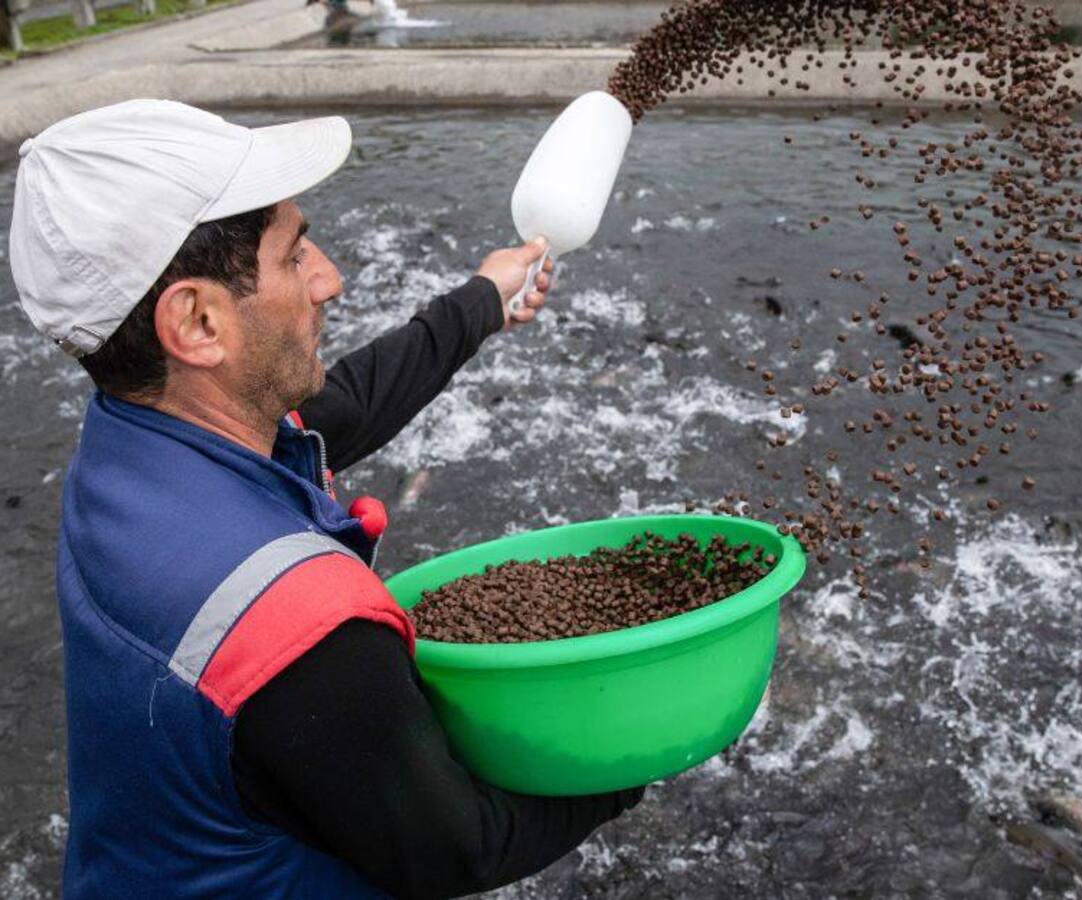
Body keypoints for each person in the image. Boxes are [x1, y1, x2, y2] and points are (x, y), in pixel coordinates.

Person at [8, 99, 643, 898]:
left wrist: (482, 300)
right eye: (294, 252)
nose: (329, 278)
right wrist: (645, 749)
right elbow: (459, 848)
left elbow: (337, 407)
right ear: (198, 321)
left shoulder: (128, 445)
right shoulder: (300, 632)